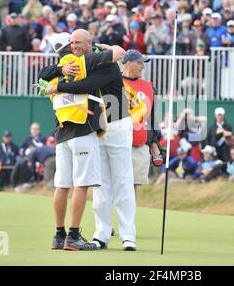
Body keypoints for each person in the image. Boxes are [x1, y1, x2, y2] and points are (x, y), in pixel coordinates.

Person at [39, 29, 127, 251]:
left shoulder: (58, 67)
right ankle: (73, 236)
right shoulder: (86, 60)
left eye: (76, 42)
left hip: (61, 131)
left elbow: (43, 73)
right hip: (82, 129)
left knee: (62, 185)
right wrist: (106, 48)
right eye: (71, 42)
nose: (73, 45)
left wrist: (57, 80)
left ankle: (59, 235)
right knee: (81, 184)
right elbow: (119, 52)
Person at [121, 50, 162, 192]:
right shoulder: (114, 84)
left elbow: (152, 118)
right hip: (117, 141)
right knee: (115, 185)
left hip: (140, 142)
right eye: (139, 63)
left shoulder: (149, 87)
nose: (142, 66)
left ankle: (129, 215)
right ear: (128, 63)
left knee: (133, 186)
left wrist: (154, 142)